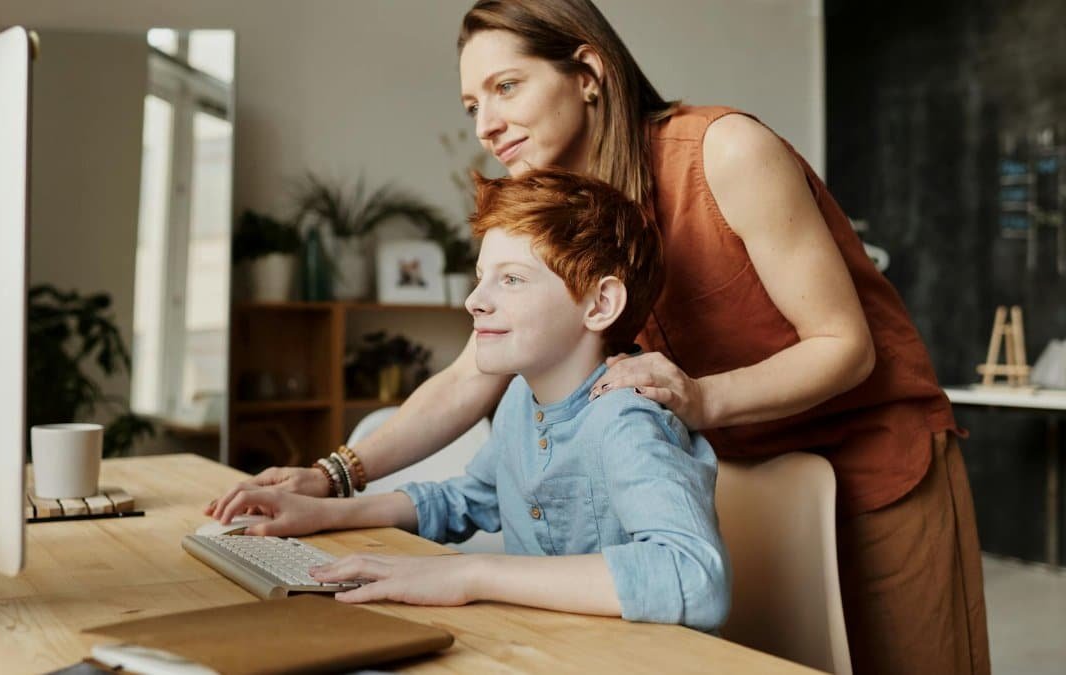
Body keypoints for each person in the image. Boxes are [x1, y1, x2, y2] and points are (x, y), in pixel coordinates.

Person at [209, 1, 988, 672]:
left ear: (588, 72)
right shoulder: (548, 201)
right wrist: (332, 475)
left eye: (506, 86)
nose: (487, 123)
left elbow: (844, 345)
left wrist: (700, 397)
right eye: (471, 104)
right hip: (735, 468)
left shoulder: (725, 151)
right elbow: (469, 375)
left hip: (875, 461)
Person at [211, 169, 730, 629]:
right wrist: (323, 512)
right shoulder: (520, 402)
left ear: (600, 304)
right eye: (482, 277)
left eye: (511, 279)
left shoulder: (627, 417)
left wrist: (471, 574)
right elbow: (470, 499)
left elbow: (694, 577)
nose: (475, 300)